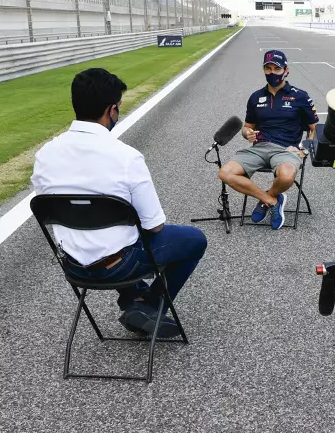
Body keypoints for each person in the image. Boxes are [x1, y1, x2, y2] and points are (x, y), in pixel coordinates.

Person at [31, 68, 207, 338]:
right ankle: (150, 304)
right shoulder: (126, 157)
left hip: (73, 265)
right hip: (118, 265)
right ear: (111, 110)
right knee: (194, 239)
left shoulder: (45, 154)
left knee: (105, 234)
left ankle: (133, 300)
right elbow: (155, 226)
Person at [218, 50, 318, 230]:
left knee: (287, 175)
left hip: (286, 150)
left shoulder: (300, 96)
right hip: (259, 148)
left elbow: (315, 129)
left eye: (277, 69)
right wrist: (247, 133)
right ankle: (271, 200)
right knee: (225, 173)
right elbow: (247, 126)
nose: (272, 73)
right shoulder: (256, 97)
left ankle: (268, 197)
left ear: (286, 70)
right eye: (268, 68)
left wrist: (304, 150)